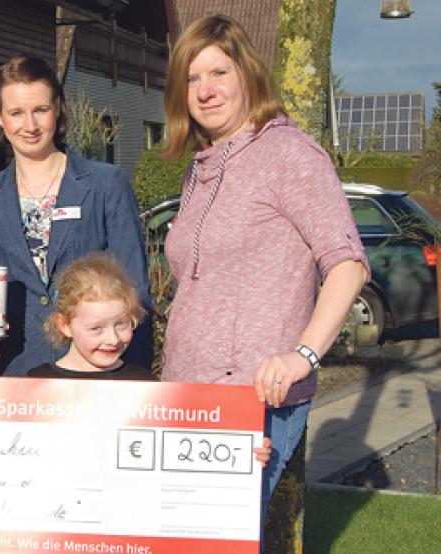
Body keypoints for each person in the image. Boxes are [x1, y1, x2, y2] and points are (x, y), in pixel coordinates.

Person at [159, 14, 369, 520]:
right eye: (192, 78)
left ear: (249, 74)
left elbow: (348, 264)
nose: (205, 90)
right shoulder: (200, 168)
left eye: (219, 73)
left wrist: (303, 356)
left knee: (217, 538)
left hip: (253, 401)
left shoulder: (289, 155)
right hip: (186, 393)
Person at [0, 253, 274, 465]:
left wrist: (243, 452)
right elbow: (1, 457)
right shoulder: (34, 386)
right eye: (96, 328)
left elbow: (182, 457)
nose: (112, 339)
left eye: (122, 324)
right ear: (65, 325)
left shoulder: (145, 386)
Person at [0, 55, 152, 376]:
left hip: (98, 369)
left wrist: (133, 376)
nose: (30, 125)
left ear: (58, 109)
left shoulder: (105, 184)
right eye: (16, 113)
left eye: (40, 110)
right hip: (20, 370)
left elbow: (136, 291)